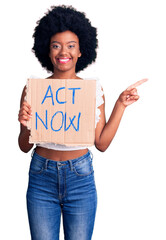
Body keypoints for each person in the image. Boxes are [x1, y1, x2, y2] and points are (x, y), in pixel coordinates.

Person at [18, 5, 147, 240]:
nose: (63, 51)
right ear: (47, 51)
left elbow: (101, 143)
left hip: (80, 178)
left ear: (80, 51)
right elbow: (24, 146)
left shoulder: (92, 90)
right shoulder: (33, 89)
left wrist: (120, 105)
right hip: (41, 176)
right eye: (56, 45)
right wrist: (25, 123)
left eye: (70, 46)